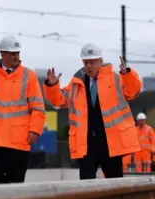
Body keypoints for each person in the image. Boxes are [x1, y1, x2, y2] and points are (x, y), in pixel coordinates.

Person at [43, 43, 142, 180]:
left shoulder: (115, 79)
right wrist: (52, 86)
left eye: (92, 62)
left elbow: (133, 91)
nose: (89, 66)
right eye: (86, 62)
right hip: (87, 142)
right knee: (86, 182)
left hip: (111, 141)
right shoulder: (77, 83)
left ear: (100, 61)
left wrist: (128, 75)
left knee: (115, 181)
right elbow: (59, 100)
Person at [0, 36, 46, 184]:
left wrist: (35, 130)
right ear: (2, 54)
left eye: (17, 52)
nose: (16, 56)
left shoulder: (28, 75)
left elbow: (37, 107)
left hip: (19, 139)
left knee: (16, 181)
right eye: (12, 53)